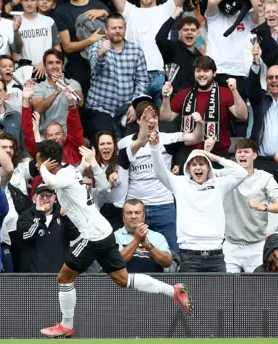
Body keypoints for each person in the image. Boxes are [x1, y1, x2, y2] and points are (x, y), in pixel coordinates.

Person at [36, 139, 192, 338]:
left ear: (48, 161)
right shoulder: (68, 169)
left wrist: (42, 167)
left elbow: (50, 182)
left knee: (64, 278)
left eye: (38, 158)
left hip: (92, 236)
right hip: (104, 232)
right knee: (123, 280)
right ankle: (174, 291)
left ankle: (67, 326)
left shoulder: (64, 174)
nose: (36, 161)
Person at [148, 131, 248, 273]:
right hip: (189, 255)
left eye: (202, 164)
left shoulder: (219, 184)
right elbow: (159, 173)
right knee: (188, 296)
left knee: (221, 295)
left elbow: (242, 173)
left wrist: (214, 158)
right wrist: (154, 147)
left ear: (208, 168)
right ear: (188, 168)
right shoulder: (180, 184)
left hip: (216, 255)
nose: (198, 168)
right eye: (194, 164)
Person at [118, 102, 204, 253]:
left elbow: (196, 138)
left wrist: (200, 124)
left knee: (172, 252)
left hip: (163, 205)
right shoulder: (125, 143)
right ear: (138, 120)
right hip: (135, 207)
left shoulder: (167, 139)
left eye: (155, 117)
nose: (151, 121)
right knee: (133, 252)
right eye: (146, 118)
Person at [107, 0, 191, 106]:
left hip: (160, 76)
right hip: (135, 78)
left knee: (162, 122)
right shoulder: (129, 10)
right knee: (135, 121)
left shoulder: (166, 8)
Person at [206, 138, 278, 273]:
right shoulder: (226, 175)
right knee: (226, 290)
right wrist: (206, 152)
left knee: (255, 290)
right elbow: (204, 173)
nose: (242, 155)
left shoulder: (265, 177)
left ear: (255, 155)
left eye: (246, 151)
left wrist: (265, 207)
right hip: (230, 244)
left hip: (256, 245)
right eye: (239, 152)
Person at [160, 56, 248, 155]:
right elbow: (166, 117)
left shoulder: (225, 93)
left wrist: (234, 90)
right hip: (189, 153)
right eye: (198, 71)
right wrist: (166, 97)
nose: (201, 74)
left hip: (217, 153)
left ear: (214, 73)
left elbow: (243, 115)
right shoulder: (183, 94)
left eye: (206, 71)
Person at [85, 13, 148, 139]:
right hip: (100, 109)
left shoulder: (136, 50)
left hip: (126, 109)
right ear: (106, 30)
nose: (117, 31)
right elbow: (95, 68)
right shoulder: (97, 46)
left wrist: (135, 105)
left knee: (132, 143)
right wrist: (101, 53)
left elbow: (142, 81)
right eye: (114, 28)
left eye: (121, 28)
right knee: (105, 141)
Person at [53, 0, 108, 93]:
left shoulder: (98, 5)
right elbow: (67, 47)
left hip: (103, 64)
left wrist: (104, 12)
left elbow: (114, 27)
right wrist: (90, 40)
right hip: (78, 67)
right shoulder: (61, 12)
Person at [16, 182, 77, 273]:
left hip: (60, 274)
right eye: (41, 195)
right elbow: (26, 236)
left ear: (54, 198)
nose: (45, 198)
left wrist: (65, 218)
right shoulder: (25, 216)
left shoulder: (62, 214)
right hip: (34, 276)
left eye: (48, 195)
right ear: (34, 199)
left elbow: (74, 235)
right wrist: (40, 216)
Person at [31, 49, 83, 135]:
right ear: (44, 66)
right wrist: (57, 92)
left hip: (69, 135)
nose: (54, 66)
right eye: (50, 63)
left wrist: (64, 85)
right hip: (46, 136)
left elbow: (80, 102)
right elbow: (37, 109)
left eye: (58, 62)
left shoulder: (73, 83)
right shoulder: (39, 87)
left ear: (62, 65)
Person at [114, 199, 172, 273]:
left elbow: (167, 262)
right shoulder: (115, 236)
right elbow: (116, 263)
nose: (133, 216)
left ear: (144, 216)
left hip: (153, 282)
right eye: (129, 213)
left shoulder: (157, 236)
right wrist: (137, 240)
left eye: (137, 213)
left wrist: (149, 246)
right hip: (126, 282)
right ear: (123, 216)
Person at [16, 0, 61, 75]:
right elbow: (14, 53)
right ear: (21, 1)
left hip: (47, 70)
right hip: (25, 71)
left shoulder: (49, 21)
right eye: (25, 0)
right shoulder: (16, 23)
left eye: (33, 0)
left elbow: (57, 50)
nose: (29, 3)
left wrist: (45, 63)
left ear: (37, 1)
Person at [155, 8, 203, 94]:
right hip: (172, 98)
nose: (189, 33)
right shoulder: (172, 48)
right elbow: (159, 39)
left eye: (193, 30)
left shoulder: (200, 58)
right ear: (179, 33)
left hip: (192, 100)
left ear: (198, 33)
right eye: (185, 30)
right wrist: (173, 16)